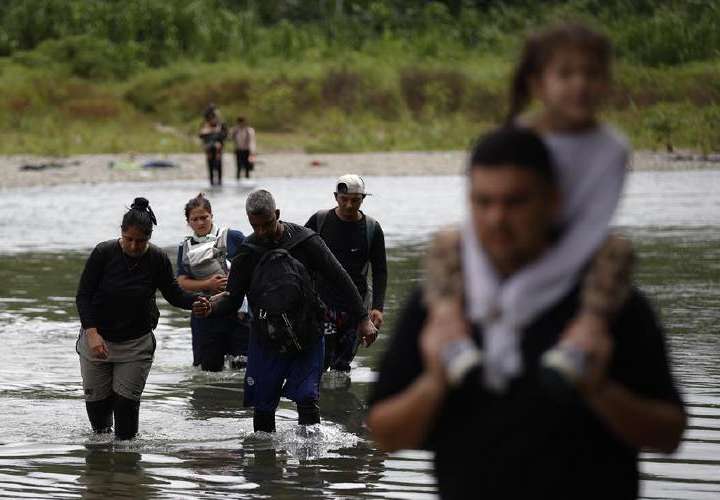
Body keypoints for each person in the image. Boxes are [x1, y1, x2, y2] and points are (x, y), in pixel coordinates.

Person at [367, 128, 686, 499]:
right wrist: (435, 381)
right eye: (483, 202)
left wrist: (599, 389)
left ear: (553, 201)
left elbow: (669, 436)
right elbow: (384, 435)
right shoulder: (440, 304)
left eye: (515, 202)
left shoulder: (607, 304)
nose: (497, 218)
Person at [193, 189, 377, 433]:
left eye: (267, 224)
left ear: (277, 214)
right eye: (255, 226)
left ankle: (311, 465)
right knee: (263, 406)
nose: (262, 232)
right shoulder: (248, 252)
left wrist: (363, 319)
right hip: (265, 339)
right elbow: (232, 297)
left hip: (307, 333)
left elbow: (340, 278)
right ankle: (263, 462)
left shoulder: (306, 241)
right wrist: (211, 306)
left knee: (307, 399)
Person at [76, 197, 201, 440]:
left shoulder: (157, 259)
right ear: (121, 233)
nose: (134, 246)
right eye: (129, 239)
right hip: (97, 340)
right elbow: (83, 296)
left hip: (136, 343)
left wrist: (197, 303)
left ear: (149, 238)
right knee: (99, 425)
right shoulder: (103, 253)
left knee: (126, 426)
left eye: (141, 241)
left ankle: (127, 473)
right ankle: (102, 474)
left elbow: (174, 295)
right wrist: (91, 333)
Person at [305, 175, 387, 386]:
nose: (349, 205)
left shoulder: (372, 228)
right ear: (336, 197)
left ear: (363, 199)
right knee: (319, 362)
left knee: (342, 367)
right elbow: (298, 255)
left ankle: (340, 412)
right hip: (322, 305)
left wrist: (377, 308)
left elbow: (380, 271)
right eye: (344, 199)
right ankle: (316, 411)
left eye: (355, 200)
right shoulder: (319, 221)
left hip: (355, 308)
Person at [176, 193, 250, 371]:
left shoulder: (232, 237)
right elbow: (182, 281)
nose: (200, 223)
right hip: (205, 314)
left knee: (242, 367)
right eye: (195, 219)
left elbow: (253, 265)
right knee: (208, 369)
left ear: (212, 216)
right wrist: (208, 284)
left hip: (238, 313)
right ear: (188, 222)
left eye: (204, 217)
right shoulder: (185, 247)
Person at [199, 104, 228, 186]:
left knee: (218, 165)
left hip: (218, 148)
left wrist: (218, 139)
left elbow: (225, 135)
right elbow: (201, 135)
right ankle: (211, 182)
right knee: (210, 165)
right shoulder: (205, 124)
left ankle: (219, 182)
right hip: (209, 148)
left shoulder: (221, 124)